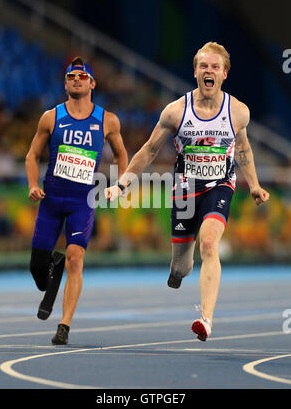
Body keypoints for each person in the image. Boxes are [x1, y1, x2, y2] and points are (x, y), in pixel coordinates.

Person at [104, 42, 270, 341]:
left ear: (224, 74)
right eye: (204, 66)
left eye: (215, 67)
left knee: (209, 244)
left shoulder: (238, 112)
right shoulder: (175, 112)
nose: (209, 71)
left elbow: (243, 148)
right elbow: (149, 150)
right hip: (184, 192)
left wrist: (254, 184)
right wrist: (122, 182)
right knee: (182, 265)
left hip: (220, 185)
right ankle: (178, 271)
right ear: (195, 71)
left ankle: (205, 319)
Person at [26, 56, 128, 345]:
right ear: (65, 82)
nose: (76, 79)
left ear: (92, 83)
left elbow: (122, 154)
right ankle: (50, 270)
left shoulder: (107, 120)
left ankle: (64, 326)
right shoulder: (51, 117)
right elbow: (32, 155)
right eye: (71, 76)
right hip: (52, 199)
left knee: (75, 259)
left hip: (82, 201)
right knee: (37, 269)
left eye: (82, 76)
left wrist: (120, 185)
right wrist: (33, 184)